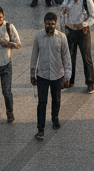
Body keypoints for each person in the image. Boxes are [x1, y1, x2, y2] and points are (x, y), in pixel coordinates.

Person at [29, 11, 71, 141]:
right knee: (42, 102)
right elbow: (34, 55)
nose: (50, 26)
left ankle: (55, 118)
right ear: (44, 23)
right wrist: (32, 73)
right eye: (48, 24)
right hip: (42, 74)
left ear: (56, 24)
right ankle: (40, 129)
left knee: (56, 99)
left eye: (52, 24)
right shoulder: (38, 37)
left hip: (57, 74)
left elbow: (66, 56)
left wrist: (67, 75)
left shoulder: (62, 37)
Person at [59, 0, 94, 92]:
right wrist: (63, 30)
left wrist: (85, 24)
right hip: (70, 32)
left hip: (83, 32)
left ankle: (90, 83)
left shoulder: (87, 1)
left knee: (86, 57)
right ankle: (70, 80)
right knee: (70, 57)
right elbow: (62, 14)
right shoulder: (67, 0)